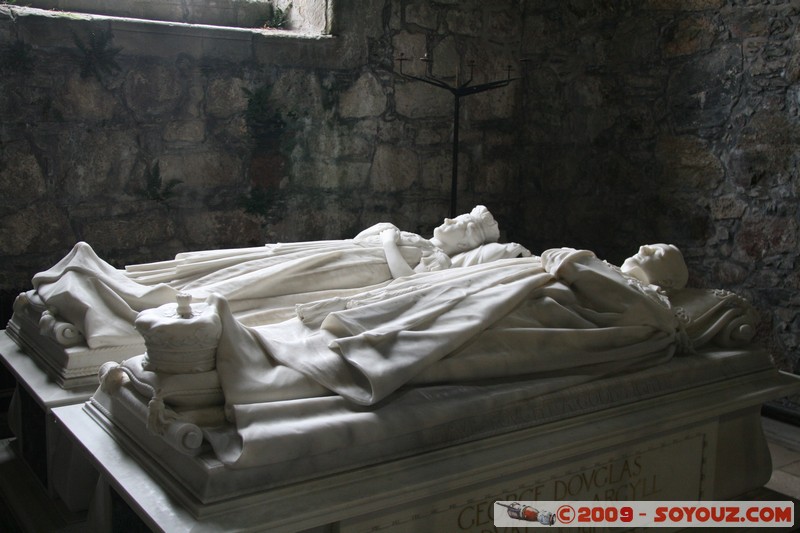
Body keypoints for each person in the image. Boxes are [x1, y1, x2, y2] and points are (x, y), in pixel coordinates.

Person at [19, 206, 524, 350]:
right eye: (459, 218)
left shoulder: (436, 263)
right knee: (249, 272)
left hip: (348, 276)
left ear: (466, 245)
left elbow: (400, 281)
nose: (451, 222)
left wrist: (390, 242)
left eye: (463, 227)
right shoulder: (415, 234)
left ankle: (151, 308)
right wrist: (385, 233)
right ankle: (132, 292)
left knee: (256, 293)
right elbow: (365, 234)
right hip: (329, 256)